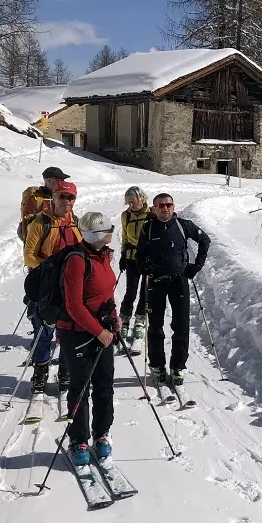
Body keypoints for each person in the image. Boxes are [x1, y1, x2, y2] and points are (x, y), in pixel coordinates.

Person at [58, 211, 120, 466]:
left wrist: (114, 319)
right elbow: (73, 305)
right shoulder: (77, 260)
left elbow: (107, 295)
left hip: (102, 331)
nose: (112, 233)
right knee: (81, 387)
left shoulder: (103, 255)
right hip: (77, 332)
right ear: (96, 234)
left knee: (104, 386)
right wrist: (99, 332)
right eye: (108, 229)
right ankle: (78, 439)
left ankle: (102, 434)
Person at [136, 193, 210, 386]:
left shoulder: (184, 225)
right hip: (156, 282)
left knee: (181, 326)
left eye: (168, 204)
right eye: (160, 205)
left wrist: (197, 265)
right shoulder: (148, 228)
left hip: (179, 280)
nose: (165, 208)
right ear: (154, 208)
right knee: (155, 327)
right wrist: (144, 267)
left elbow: (205, 241)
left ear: (173, 206)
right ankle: (157, 365)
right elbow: (140, 254)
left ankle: (177, 367)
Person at [23, 180, 81, 394]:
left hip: (70, 286)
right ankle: (40, 372)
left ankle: (65, 371)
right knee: (44, 331)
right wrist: (49, 268)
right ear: (54, 198)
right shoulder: (40, 222)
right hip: (47, 286)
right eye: (62, 197)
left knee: (68, 332)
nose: (67, 201)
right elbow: (29, 256)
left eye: (71, 197)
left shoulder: (75, 222)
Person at [118, 187, 151, 346]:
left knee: (145, 291)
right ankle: (124, 320)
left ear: (141, 199)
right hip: (132, 257)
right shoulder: (126, 215)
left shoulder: (151, 214)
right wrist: (123, 254)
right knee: (130, 291)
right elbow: (124, 235)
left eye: (133, 201)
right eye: (128, 202)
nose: (130, 205)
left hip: (147, 258)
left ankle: (140, 320)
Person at [19, 166, 70, 241]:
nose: (63, 182)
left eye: (63, 180)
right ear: (49, 180)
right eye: (60, 180)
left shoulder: (62, 197)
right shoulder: (35, 199)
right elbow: (26, 227)